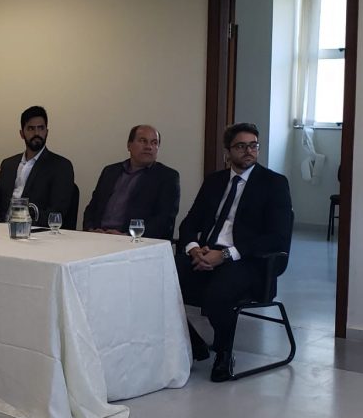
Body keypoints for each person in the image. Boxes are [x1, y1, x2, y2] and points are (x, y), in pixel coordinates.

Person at [176, 122, 292, 382]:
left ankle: (224, 352)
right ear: (227, 152)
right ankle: (194, 343)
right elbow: (189, 222)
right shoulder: (214, 181)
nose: (249, 151)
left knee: (218, 293)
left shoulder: (274, 183)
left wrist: (226, 255)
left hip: (248, 260)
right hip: (207, 252)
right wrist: (194, 249)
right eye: (241, 146)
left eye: (253, 146)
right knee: (160, 277)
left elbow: (277, 237)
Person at [83, 125, 180, 240]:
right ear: (129, 145)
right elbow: (92, 208)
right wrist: (90, 230)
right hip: (98, 237)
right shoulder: (110, 171)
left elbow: (164, 220)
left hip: (135, 241)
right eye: (143, 141)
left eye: (154, 143)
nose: (149, 147)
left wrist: (127, 236)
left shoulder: (167, 177)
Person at [0, 106, 75, 228]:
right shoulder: (8, 165)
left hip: (36, 232)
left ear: (47, 132)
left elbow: (56, 213)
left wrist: (22, 225)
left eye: (41, 128)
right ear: (22, 134)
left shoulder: (61, 166)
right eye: (31, 128)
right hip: (2, 230)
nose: (36, 133)